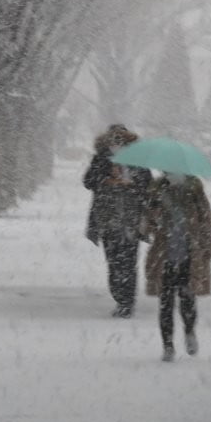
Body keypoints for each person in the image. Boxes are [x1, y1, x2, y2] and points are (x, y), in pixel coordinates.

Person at [142, 175, 211, 361]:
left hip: (188, 255)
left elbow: (206, 220)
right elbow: (145, 225)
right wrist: (154, 216)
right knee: (165, 303)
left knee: (187, 299)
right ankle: (168, 345)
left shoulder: (195, 190)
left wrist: (208, 245)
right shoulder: (156, 191)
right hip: (164, 256)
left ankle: (189, 331)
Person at [84, 124, 152, 318]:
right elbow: (88, 181)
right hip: (108, 218)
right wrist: (106, 179)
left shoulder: (137, 160)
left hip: (131, 219)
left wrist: (131, 183)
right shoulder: (101, 159)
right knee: (114, 261)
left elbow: (147, 184)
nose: (117, 144)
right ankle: (120, 296)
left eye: (121, 140)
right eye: (114, 140)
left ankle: (126, 301)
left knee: (128, 262)